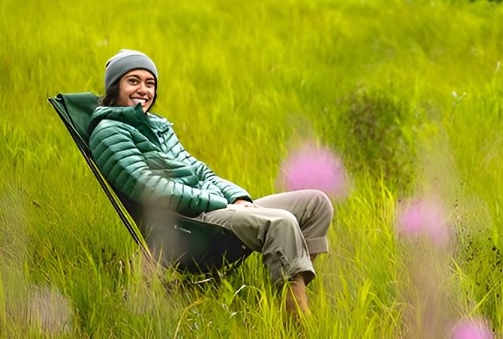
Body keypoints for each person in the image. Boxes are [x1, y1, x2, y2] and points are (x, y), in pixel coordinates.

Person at [87, 49, 334, 316]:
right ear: (115, 86)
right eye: (133, 81)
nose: (143, 90)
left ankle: (292, 290)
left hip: (213, 209)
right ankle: (297, 322)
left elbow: (200, 170)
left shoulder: (156, 125)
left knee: (317, 203)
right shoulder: (109, 131)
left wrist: (238, 198)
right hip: (189, 223)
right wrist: (219, 202)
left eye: (150, 83)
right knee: (282, 222)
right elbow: (150, 189)